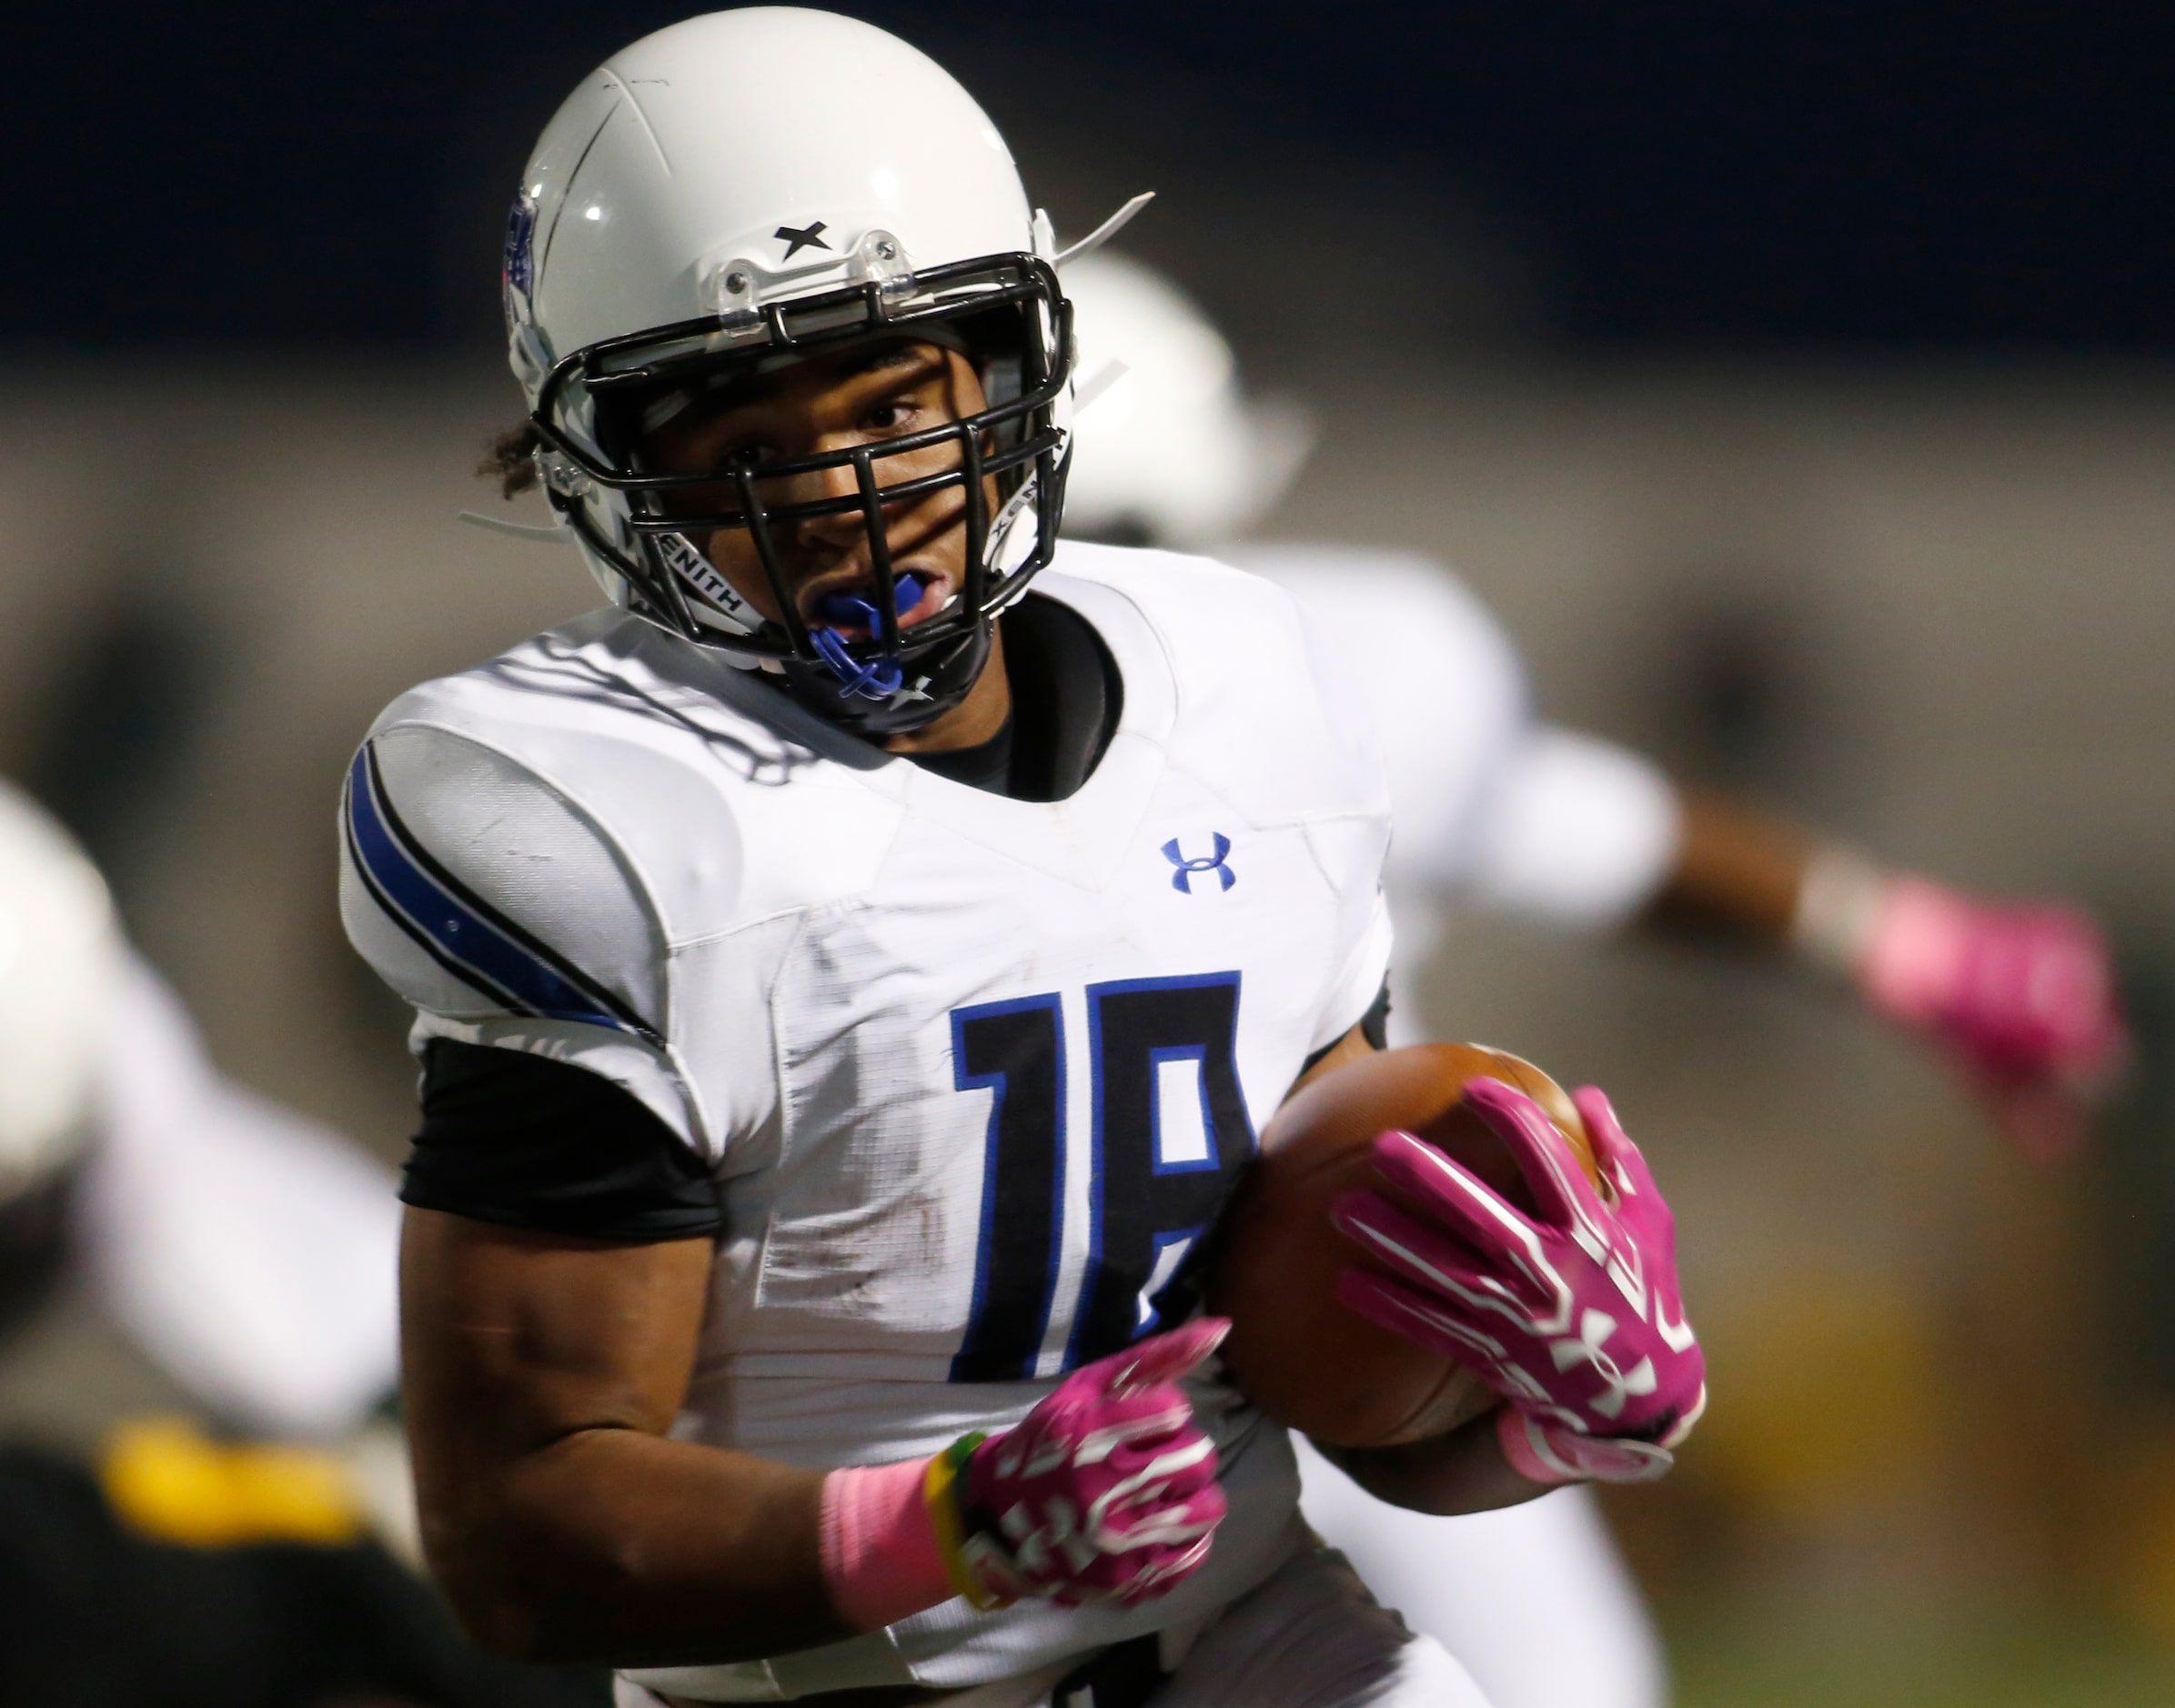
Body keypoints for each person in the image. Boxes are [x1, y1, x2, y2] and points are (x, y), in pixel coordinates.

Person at [341, 12, 1707, 1706]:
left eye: (895, 400)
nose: (841, 490)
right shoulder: (599, 808)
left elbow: (1330, 1366)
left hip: (1260, 1645)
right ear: (608, 471)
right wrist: (945, 1526)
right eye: (748, 445)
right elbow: (519, 1532)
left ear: (1012, 371)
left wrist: (1539, 1404)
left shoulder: (1243, 685)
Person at [1058, 246, 2129, 1708]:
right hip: (1129, 1356)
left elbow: (1587, 826)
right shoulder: (1335, 653)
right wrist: (1926, 955)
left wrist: (1924, 953)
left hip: (1307, 1306)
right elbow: (1601, 832)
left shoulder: (1303, 669)